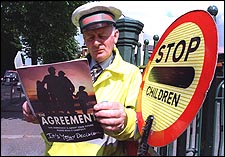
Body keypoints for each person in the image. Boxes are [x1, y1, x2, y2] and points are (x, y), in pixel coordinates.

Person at [22, 1, 142, 156]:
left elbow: (141, 126)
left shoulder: (131, 74)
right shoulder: (70, 70)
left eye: (102, 36)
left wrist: (125, 121)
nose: (96, 42)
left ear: (115, 36)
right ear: (84, 39)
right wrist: (35, 109)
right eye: (90, 37)